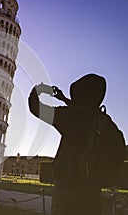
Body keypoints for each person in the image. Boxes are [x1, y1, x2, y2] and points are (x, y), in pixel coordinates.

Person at [29, 74, 110, 215]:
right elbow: (86, 109)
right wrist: (64, 99)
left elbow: (36, 108)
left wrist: (38, 90)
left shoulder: (71, 117)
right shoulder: (105, 121)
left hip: (67, 197)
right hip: (93, 197)